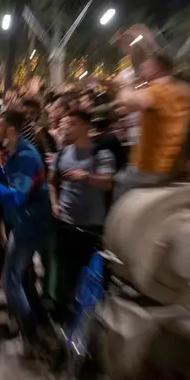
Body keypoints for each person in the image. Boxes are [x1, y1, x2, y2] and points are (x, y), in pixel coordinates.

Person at [0, 109, 52, 349]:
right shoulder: (14, 153)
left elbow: (18, 197)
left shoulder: (26, 156)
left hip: (29, 226)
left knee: (10, 281)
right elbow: (6, 177)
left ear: (10, 129)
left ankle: (31, 336)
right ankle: (41, 327)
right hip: (21, 224)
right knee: (22, 279)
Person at [48, 109, 115, 322]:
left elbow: (107, 182)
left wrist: (86, 177)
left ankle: (90, 319)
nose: (68, 127)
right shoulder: (61, 155)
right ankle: (66, 319)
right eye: (67, 123)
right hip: (66, 224)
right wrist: (54, 203)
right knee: (65, 274)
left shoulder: (100, 154)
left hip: (91, 227)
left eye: (74, 123)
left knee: (91, 277)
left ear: (87, 126)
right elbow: (51, 181)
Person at [114, 53, 190, 189]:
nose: (142, 70)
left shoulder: (158, 90)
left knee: (119, 182)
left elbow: (129, 100)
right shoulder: (177, 90)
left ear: (157, 68)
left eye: (145, 66)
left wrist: (126, 84)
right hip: (168, 166)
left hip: (151, 168)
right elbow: (126, 108)